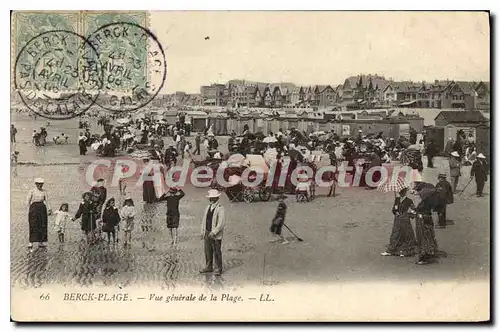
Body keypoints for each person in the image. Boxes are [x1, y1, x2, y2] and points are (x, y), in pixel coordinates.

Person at [381, 187, 417, 257]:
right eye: (399, 192)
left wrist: (408, 214)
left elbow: (414, 210)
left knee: (406, 235)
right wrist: (395, 212)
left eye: (402, 192)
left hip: (405, 220)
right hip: (397, 220)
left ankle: (405, 251)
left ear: (405, 192)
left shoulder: (409, 200)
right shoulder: (397, 199)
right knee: (395, 234)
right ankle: (391, 250)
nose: (400, 193)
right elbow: (393, 209)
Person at [199, 189, 225, 276]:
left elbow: (221, 223)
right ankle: (209, 266)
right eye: (210, 198)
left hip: (215, 235)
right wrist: (203, 231)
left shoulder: (220, 208)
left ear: (216, 198)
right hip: (207, 232)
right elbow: (204, 220)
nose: (210, 199)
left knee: (217, 251)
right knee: (207, 250)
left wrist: (214, 232)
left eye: (212, 198)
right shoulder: (208, 207)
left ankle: (218, 268)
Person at [414, 187, 439, 265]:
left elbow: (419, 211)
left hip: (423, 222)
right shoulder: (429, 202)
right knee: (428, 237)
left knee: (423, 238)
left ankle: (423, 257)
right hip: (427, 221)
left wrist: (414, 211)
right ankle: (428, 253)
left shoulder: (424, 203)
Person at [27, 178, 52, 250]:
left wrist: (49, 209)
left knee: (42, 224)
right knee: (33, 224)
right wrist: (30, 209)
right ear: (36, 184)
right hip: (34, 208)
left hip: (42, 208)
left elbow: (47, 200)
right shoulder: (32, 191)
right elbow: (28, 201)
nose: (40, 185)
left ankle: (41, 242)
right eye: (38, 184)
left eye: (41, 184)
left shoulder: (44, 191)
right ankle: (31, 241)